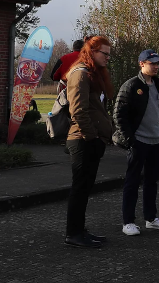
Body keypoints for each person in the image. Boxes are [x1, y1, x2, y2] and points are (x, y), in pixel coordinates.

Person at [114, 49, 159, 236]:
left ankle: (151, 218)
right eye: (152, 63)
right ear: (141, 64)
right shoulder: (131, 86)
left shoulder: (158, 85)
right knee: (132, 181)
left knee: (152, 181)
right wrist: (130, 139)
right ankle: (128, 222)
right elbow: (119, 115)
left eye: (157, 63)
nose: (156, 66)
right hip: (139, 141)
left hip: (158, 141)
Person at [63, 36, 115, 248]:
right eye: (104, 53)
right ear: (92, 52)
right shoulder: (80, 74)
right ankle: (73, 233)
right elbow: (77, 110)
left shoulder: (92, 74)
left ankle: (80, 230)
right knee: (80, 188)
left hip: (91, 140)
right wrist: (92, 137)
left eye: (109, 54)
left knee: (84, 189)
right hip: (82, 140)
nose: (107, 58)